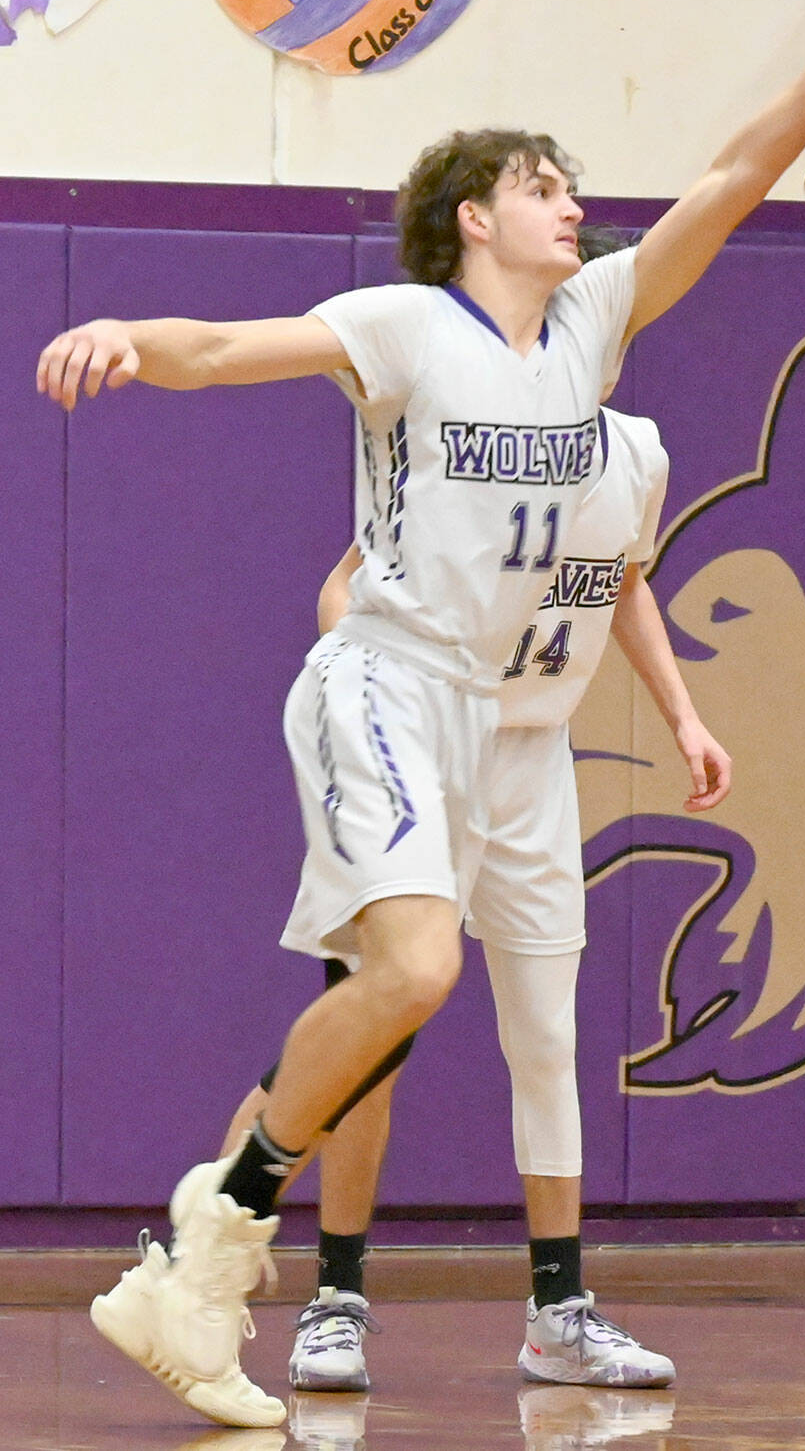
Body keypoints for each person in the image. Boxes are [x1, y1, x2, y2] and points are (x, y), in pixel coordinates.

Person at [36, 0, 805, 1430]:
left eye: (573, 181)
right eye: (540, 183)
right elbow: (229, 343)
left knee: (465, 1001)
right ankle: (247, 1254)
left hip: (522, 729)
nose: (571, 199)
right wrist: (130, 328)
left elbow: (730, 178)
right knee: (413, 972)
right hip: (387, 679)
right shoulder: (402, 323)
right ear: (468, 215)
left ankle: (204, 1264)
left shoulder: (591, 330)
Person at [222, 398, 730, 1394]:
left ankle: (557, 1312)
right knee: (376, 1035)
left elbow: (622, 584)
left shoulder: (637, 454)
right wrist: (374, 702)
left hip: (535, 758)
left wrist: (684, 716)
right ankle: (333, 1300)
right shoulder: (472, 434)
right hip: (424, 745)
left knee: (545, 1036)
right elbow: (348, 583)